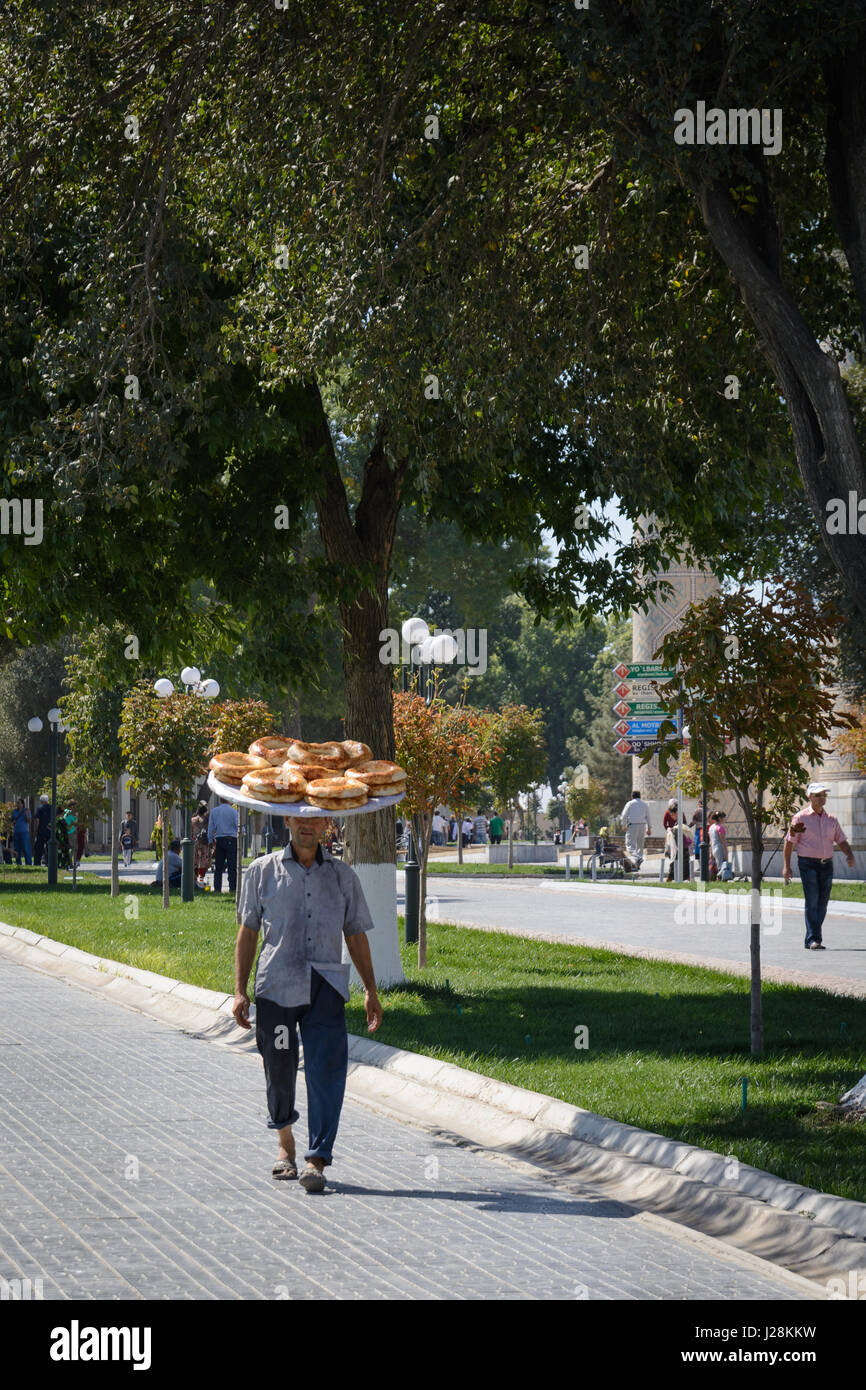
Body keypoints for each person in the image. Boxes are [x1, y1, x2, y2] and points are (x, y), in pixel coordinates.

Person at [233, 814, 382, 1192]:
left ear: (327, 823)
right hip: (277, 988)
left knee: (327, 1071)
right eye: (300, 817)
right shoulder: (261, 871)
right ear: (287, 819)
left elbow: (356, 935)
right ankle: (285, 1145)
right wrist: (239, 989)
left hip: (325, 988)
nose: (307, 825)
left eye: (316, 818)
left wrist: (370, 989)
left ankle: (317, 1159)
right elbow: (248, 931)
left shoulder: (343, 877)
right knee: (279, 1068)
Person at [782, 783, 855, 950]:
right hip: (808, 864)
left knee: (822, 903)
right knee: (813, 900)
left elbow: (841, 840)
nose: (822, 798)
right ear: (810, 797)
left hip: (827, 864)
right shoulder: (800, 818)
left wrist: (849, 855)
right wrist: (786, 866)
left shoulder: (831, 820)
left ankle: (814, 936)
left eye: (824, 795)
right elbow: (789, 842)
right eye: (818, 795)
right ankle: (813, 939)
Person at [208, 797, 239, 893]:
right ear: (229, 800)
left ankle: (217, 888)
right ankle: (233, 888)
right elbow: (237, 825)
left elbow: (211, 827)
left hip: (219, 840)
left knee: (218, 866)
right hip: (231, 840)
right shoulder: (234, 812)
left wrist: (210, 840)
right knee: (232, 866)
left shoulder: (214, 811)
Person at [619, 789, 650, 864]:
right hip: (642, 826)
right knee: (640, 846)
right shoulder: (644, 804)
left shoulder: (630, 804)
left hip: (632, 826)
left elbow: (623, 816)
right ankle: (638, 861)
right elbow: (648, 817)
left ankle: (638, 858)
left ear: (632, 796)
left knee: (629, 845)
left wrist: (623, 825)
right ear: (640, 796)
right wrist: (649, 828)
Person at [191, 801, 210, 886]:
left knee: (194, 860)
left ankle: (194, 879)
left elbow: (191, 832)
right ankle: (201, 879)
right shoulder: (206, 820)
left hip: (195, 841)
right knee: (203, 861)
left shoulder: (193, 820)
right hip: (204, 842)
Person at [12, 798, 32, 865]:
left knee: (26, 849)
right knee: (17, 849)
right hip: (16, 832)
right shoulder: (14, 811)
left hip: (24, 833)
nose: (17, 804)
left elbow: (29, 821)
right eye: (17, 803)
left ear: (22, 804)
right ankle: (18, 863)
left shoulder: (26, 811)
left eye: (19, 803)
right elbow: (12, 821)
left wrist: (26, 814)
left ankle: (28, 864)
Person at [33, 795, 51, 866]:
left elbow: (37, 820)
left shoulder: (39, 808)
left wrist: (35, 831)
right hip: (50, 831)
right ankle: (49, 863)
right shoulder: (52, 808)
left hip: (41, 831)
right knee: (49, 848)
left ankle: (37, 863)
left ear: (41, 801)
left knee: (39, 848)